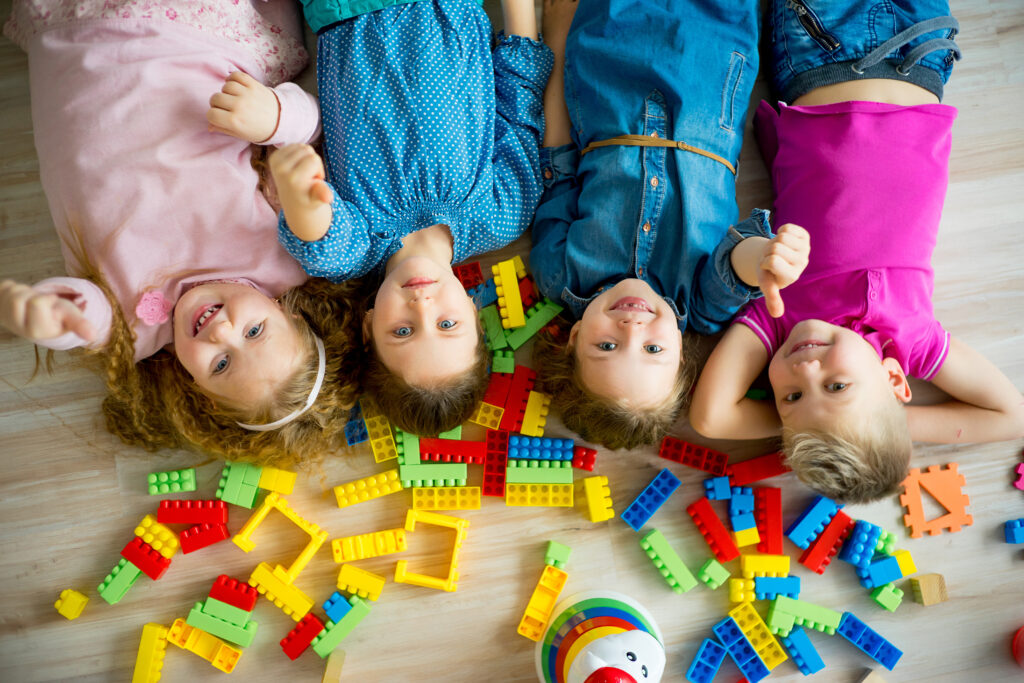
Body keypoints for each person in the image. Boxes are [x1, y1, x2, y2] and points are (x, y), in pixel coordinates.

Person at [0, 0, 363, 465]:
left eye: (222, 364)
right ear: (288, 310)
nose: (222, 332)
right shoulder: (283, 256)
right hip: (191, 36)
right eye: (255, 331)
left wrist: (55, 319)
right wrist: (275, 118)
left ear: (195, 386)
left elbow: (85, 315)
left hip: (73, 41)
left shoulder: (132, 330)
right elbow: (313, 129)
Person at [689, 0, 1024, 502]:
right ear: (893, 381)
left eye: (791, 397)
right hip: (921, 55)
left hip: (824, 49)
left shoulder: (780, 319)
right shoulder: (911, 340)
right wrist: (881, 421)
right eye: (838, 387)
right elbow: (1011, 417)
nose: (805, 371)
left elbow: (710, 416)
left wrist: (833, 423)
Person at [529, 0, 810, 450]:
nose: (632, 330)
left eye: (605, 347)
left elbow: (558, 159)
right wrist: (767, 260)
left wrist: (557, 32)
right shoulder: (700, 305)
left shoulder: (559, 275)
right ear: (681, 354)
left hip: (609, 61)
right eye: (653, 351)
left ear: (575, 337)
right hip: (708, 63)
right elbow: (736, 264)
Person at [268, 0, 553, 437]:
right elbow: (520, 101)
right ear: (476, 318)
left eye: (402, 331)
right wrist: (518, 11)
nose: (422, 308)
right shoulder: (501, 216)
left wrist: (300, 194)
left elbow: (319, 242)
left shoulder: (358, 248)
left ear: (368, 327)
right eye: (446, 325)